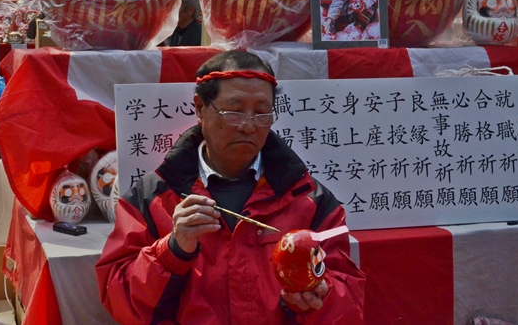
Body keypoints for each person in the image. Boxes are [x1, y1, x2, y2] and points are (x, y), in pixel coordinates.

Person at [96, 50, 365, 325]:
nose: (249, 126)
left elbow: (350, 304)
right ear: (200, 108)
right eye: (234, 112)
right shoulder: (154, 195)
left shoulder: (309, 199)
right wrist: (173, 250)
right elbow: (121, 301)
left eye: (261, 113)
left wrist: (320, 297)